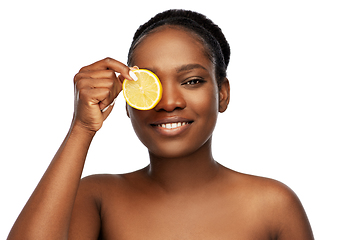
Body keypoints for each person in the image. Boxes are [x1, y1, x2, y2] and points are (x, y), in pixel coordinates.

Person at [7, 9, 314, 240]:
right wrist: (81, 129)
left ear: (222, 94)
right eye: (149, 83)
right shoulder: (98, 196)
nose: (169, 102)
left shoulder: (273, 205)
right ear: (129, 101)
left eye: (191, 81)